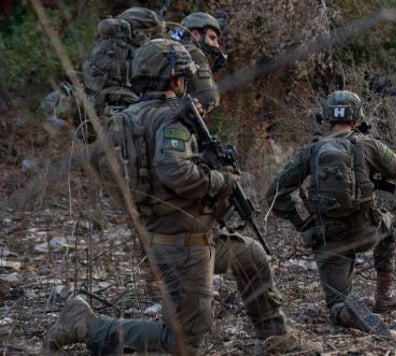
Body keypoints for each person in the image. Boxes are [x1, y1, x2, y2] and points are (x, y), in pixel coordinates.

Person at [44, 38, 321, 355]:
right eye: (184, 78)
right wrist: (222, 181)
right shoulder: (173, 118)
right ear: (175, 78)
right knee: (183, 341)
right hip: (184, 245)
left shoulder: (128, 117)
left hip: (171, 233)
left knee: (251, 256)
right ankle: (87, 325)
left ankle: (275, 338)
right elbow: (173, 172)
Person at [266, 90, 396, 332]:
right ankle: (384, 296)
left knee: (336, 304)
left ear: (326, 118)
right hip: (366, 232)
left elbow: (275, 193)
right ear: (357, 118)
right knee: (390, 223)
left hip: (328, 238)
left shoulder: (312, 150)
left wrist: (301, 223)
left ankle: (346, 312)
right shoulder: (368, 144)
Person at [171, 11, 227, 115]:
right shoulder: (193, 52)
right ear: (195, 35)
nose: (217, 45)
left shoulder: (168, 48)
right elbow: (209, 97)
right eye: (212, 38)